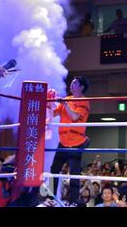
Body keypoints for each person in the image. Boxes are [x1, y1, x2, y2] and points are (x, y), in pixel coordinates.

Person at [50, 76, 90, 206]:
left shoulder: (84, 101)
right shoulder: (66, 99)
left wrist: (64, 104)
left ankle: (73, 202)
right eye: (71, 82)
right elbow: (53, 113)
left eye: (75, 83)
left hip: (76, 142)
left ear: (82, 87)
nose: (71, 84)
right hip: (63, 141)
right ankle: (51, 198)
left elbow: (74, 116)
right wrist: (49, 102)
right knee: (54, 169)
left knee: (74, 173)